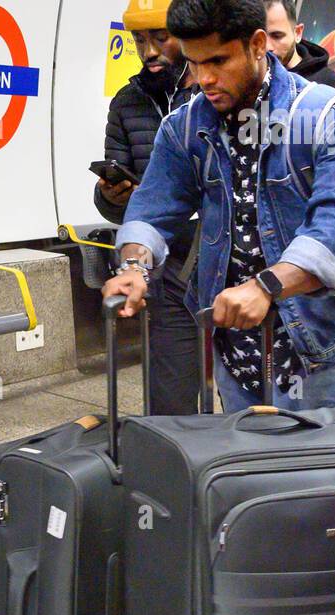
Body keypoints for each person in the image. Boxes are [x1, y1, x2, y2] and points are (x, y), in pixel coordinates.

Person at [104, 0, 335, 412]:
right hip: (233, 350)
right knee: (245, 470)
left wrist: (265, 286)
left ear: (257, 45)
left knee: (306, 473)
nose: (205, 79)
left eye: (218, 61)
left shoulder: (328, 119)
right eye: (194, 62)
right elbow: (152, 210)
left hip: (314, 347)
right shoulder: (184, 126)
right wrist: (134, 266)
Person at [95, 5, 199, 413]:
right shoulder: (127, 101)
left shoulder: (212, 93)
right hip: (157, 256)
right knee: (170, 386)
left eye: (160, 38)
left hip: (216, 245)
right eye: (140, 40)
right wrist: (112, 196)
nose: (150, 50)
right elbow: (121, 198)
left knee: (240, 381)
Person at [264, 0, 335, 88]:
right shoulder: (252, 78)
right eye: (260, 39)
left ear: (297, 33)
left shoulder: (328, 82)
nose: (268, 47)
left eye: (277, 36)